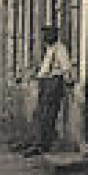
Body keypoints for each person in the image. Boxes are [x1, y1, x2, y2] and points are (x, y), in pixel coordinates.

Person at [24, 25, 74, 156]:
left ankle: (43, 144)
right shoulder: (50, 50)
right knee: (40, 113)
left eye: (48, 35)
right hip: (45, 83)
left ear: (55, 35)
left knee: (48, 115)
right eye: (45, 35)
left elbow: (66, 68)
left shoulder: (60, 49)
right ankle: (36, 142)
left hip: (53, 83)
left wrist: (67, 82)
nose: (45, 38)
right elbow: (45, 68)